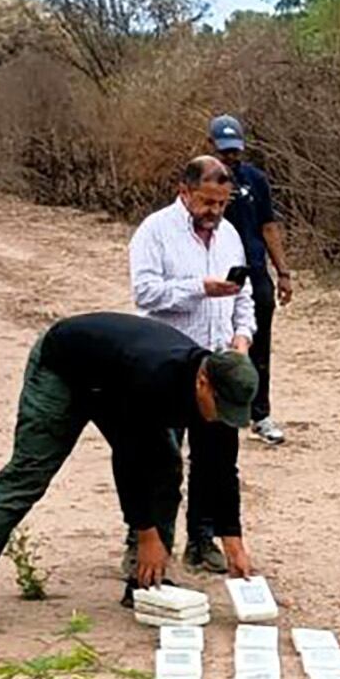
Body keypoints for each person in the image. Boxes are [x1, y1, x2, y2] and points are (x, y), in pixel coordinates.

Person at [0, 312, 260, 637]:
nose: (225, 417)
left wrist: (232, 542)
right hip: (65, 368)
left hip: (116, 383)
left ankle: (147, 582)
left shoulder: (223, 394)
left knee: (165, 470)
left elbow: (221, 470)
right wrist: (146, 536)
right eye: (221, 408)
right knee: (28, 475)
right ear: (203, 382)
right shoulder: (153, 376)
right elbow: (129, 458)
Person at [128, 156, 256, 576]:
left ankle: (202, 539)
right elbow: (145, 293)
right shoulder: (155, 231)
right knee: (159, 457)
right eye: (207, 202)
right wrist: (200, 289)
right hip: (169, 366)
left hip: (219, 364)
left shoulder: (230, 235)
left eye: (222, 203)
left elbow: (244, 296)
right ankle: (144, 540)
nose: (215, 212)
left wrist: (242, 338)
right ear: (185, 191)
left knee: (218, 458)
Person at [209, 115, 295, 446]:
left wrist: (282, 272)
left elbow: (268, 226)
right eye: (224, 151)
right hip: (217, 272)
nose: (230, 157)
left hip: (254, 270)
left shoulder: (255, 180)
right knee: (215, 340)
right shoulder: (202, 181)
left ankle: (260, 414)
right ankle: (209, 410)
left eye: (235, 151)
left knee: (258, 343)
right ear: (210, 146)